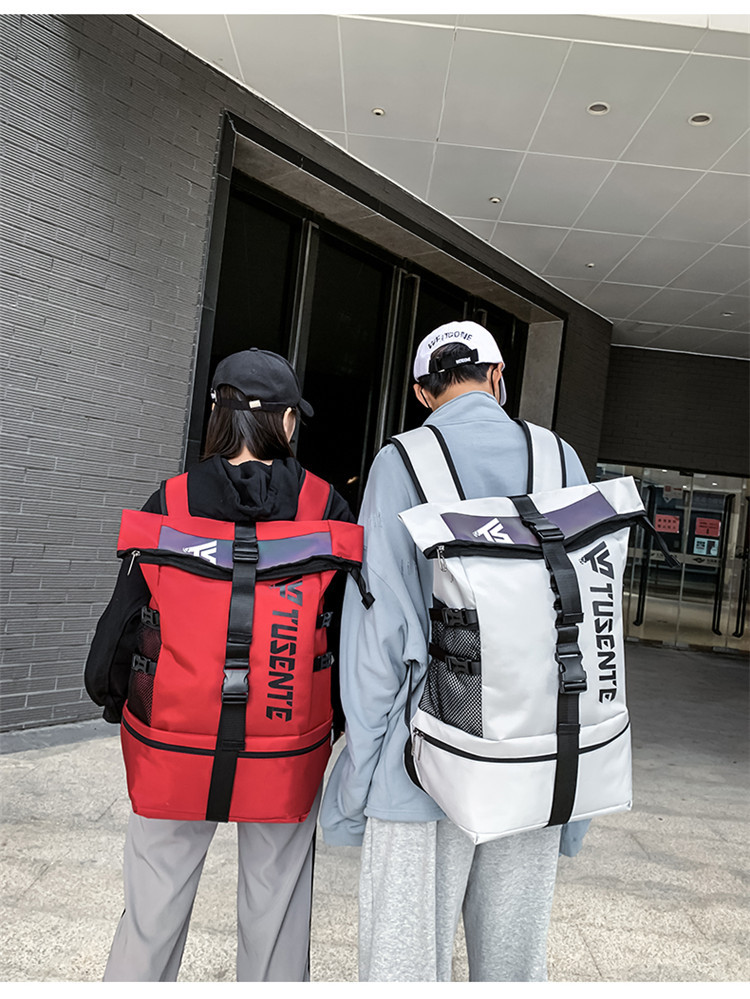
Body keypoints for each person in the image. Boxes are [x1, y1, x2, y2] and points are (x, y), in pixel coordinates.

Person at [319, 320, 590, 982]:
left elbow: (380, 636)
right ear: (499, 378)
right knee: (513, 969)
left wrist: (358, 779)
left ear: (422, 392)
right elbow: (590, 627)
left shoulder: (401, 463)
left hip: (426, 758)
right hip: (537, 755)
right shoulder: (562, 460)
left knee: (405, 967)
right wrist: (575, 795)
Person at [85, 348, 355, 982]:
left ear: (217, 416)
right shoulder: (325, 507)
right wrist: (339, 718)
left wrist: (113, 695)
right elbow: (348, 630)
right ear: (286, 421)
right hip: (286, 741)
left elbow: (123, 624)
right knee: (277, 906)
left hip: (173, 739)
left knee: (151, 908)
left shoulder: (171, 499)